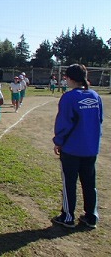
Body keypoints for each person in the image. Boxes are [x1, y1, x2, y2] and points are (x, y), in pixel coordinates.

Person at [51, 64, 103, 229]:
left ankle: (68, 216)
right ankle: (91, 216)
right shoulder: (95, 96)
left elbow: (64, 123)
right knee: (89, 183)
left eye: (65, 78)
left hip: (72, 149)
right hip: (90, 148)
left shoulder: (69, 97)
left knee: (69, 183)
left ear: (70, 78)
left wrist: (58, 141)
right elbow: (99, 120)